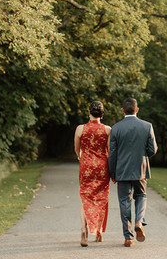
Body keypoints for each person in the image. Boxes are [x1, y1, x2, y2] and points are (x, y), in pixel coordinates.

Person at [109, 97, 158, 247]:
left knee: (124, 201)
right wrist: (141, 156)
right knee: (141, 195)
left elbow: (112, 154)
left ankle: (128, 237)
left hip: (122, 171)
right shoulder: (147, 126)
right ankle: (139, 221)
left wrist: (112, 173)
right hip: (140, 170)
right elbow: (153, 150)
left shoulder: (116, 128)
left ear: (123, 110)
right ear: (137, 110)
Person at [74, 101, 111, 247]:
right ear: (102, 114)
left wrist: (82, 158)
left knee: (85, 197)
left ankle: (84, 230)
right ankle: (99, 231)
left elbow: (77, 150)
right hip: (102, 167)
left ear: (88, 112)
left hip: (86, 166)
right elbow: (109, 150)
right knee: (101, 198)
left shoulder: (80, 129)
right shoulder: (108, 130)